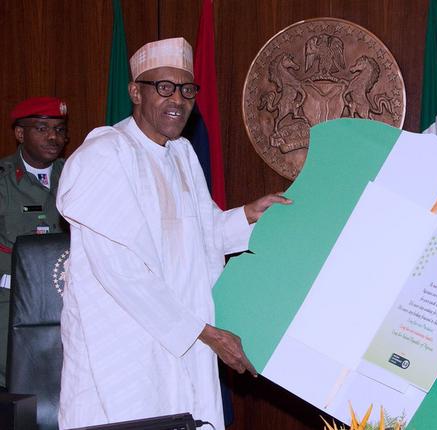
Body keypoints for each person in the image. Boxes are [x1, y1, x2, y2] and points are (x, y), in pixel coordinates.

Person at [56, 37, 291, 428]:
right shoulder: (104, 155)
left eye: (187, 90)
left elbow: (202, 235)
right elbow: (122, 273)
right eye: (163, 87)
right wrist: (203, 333)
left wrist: (248, 215)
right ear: (135, 91)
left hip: (187, 338)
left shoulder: (180, 153)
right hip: (126, 349)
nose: (177, 100)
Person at [0, 96, 69, 388]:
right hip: (13, 307)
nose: (53, 137)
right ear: (20, 133)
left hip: (68, 306)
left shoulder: (76, 175)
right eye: (42, 128)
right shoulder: (3, 180)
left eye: (59, 129)